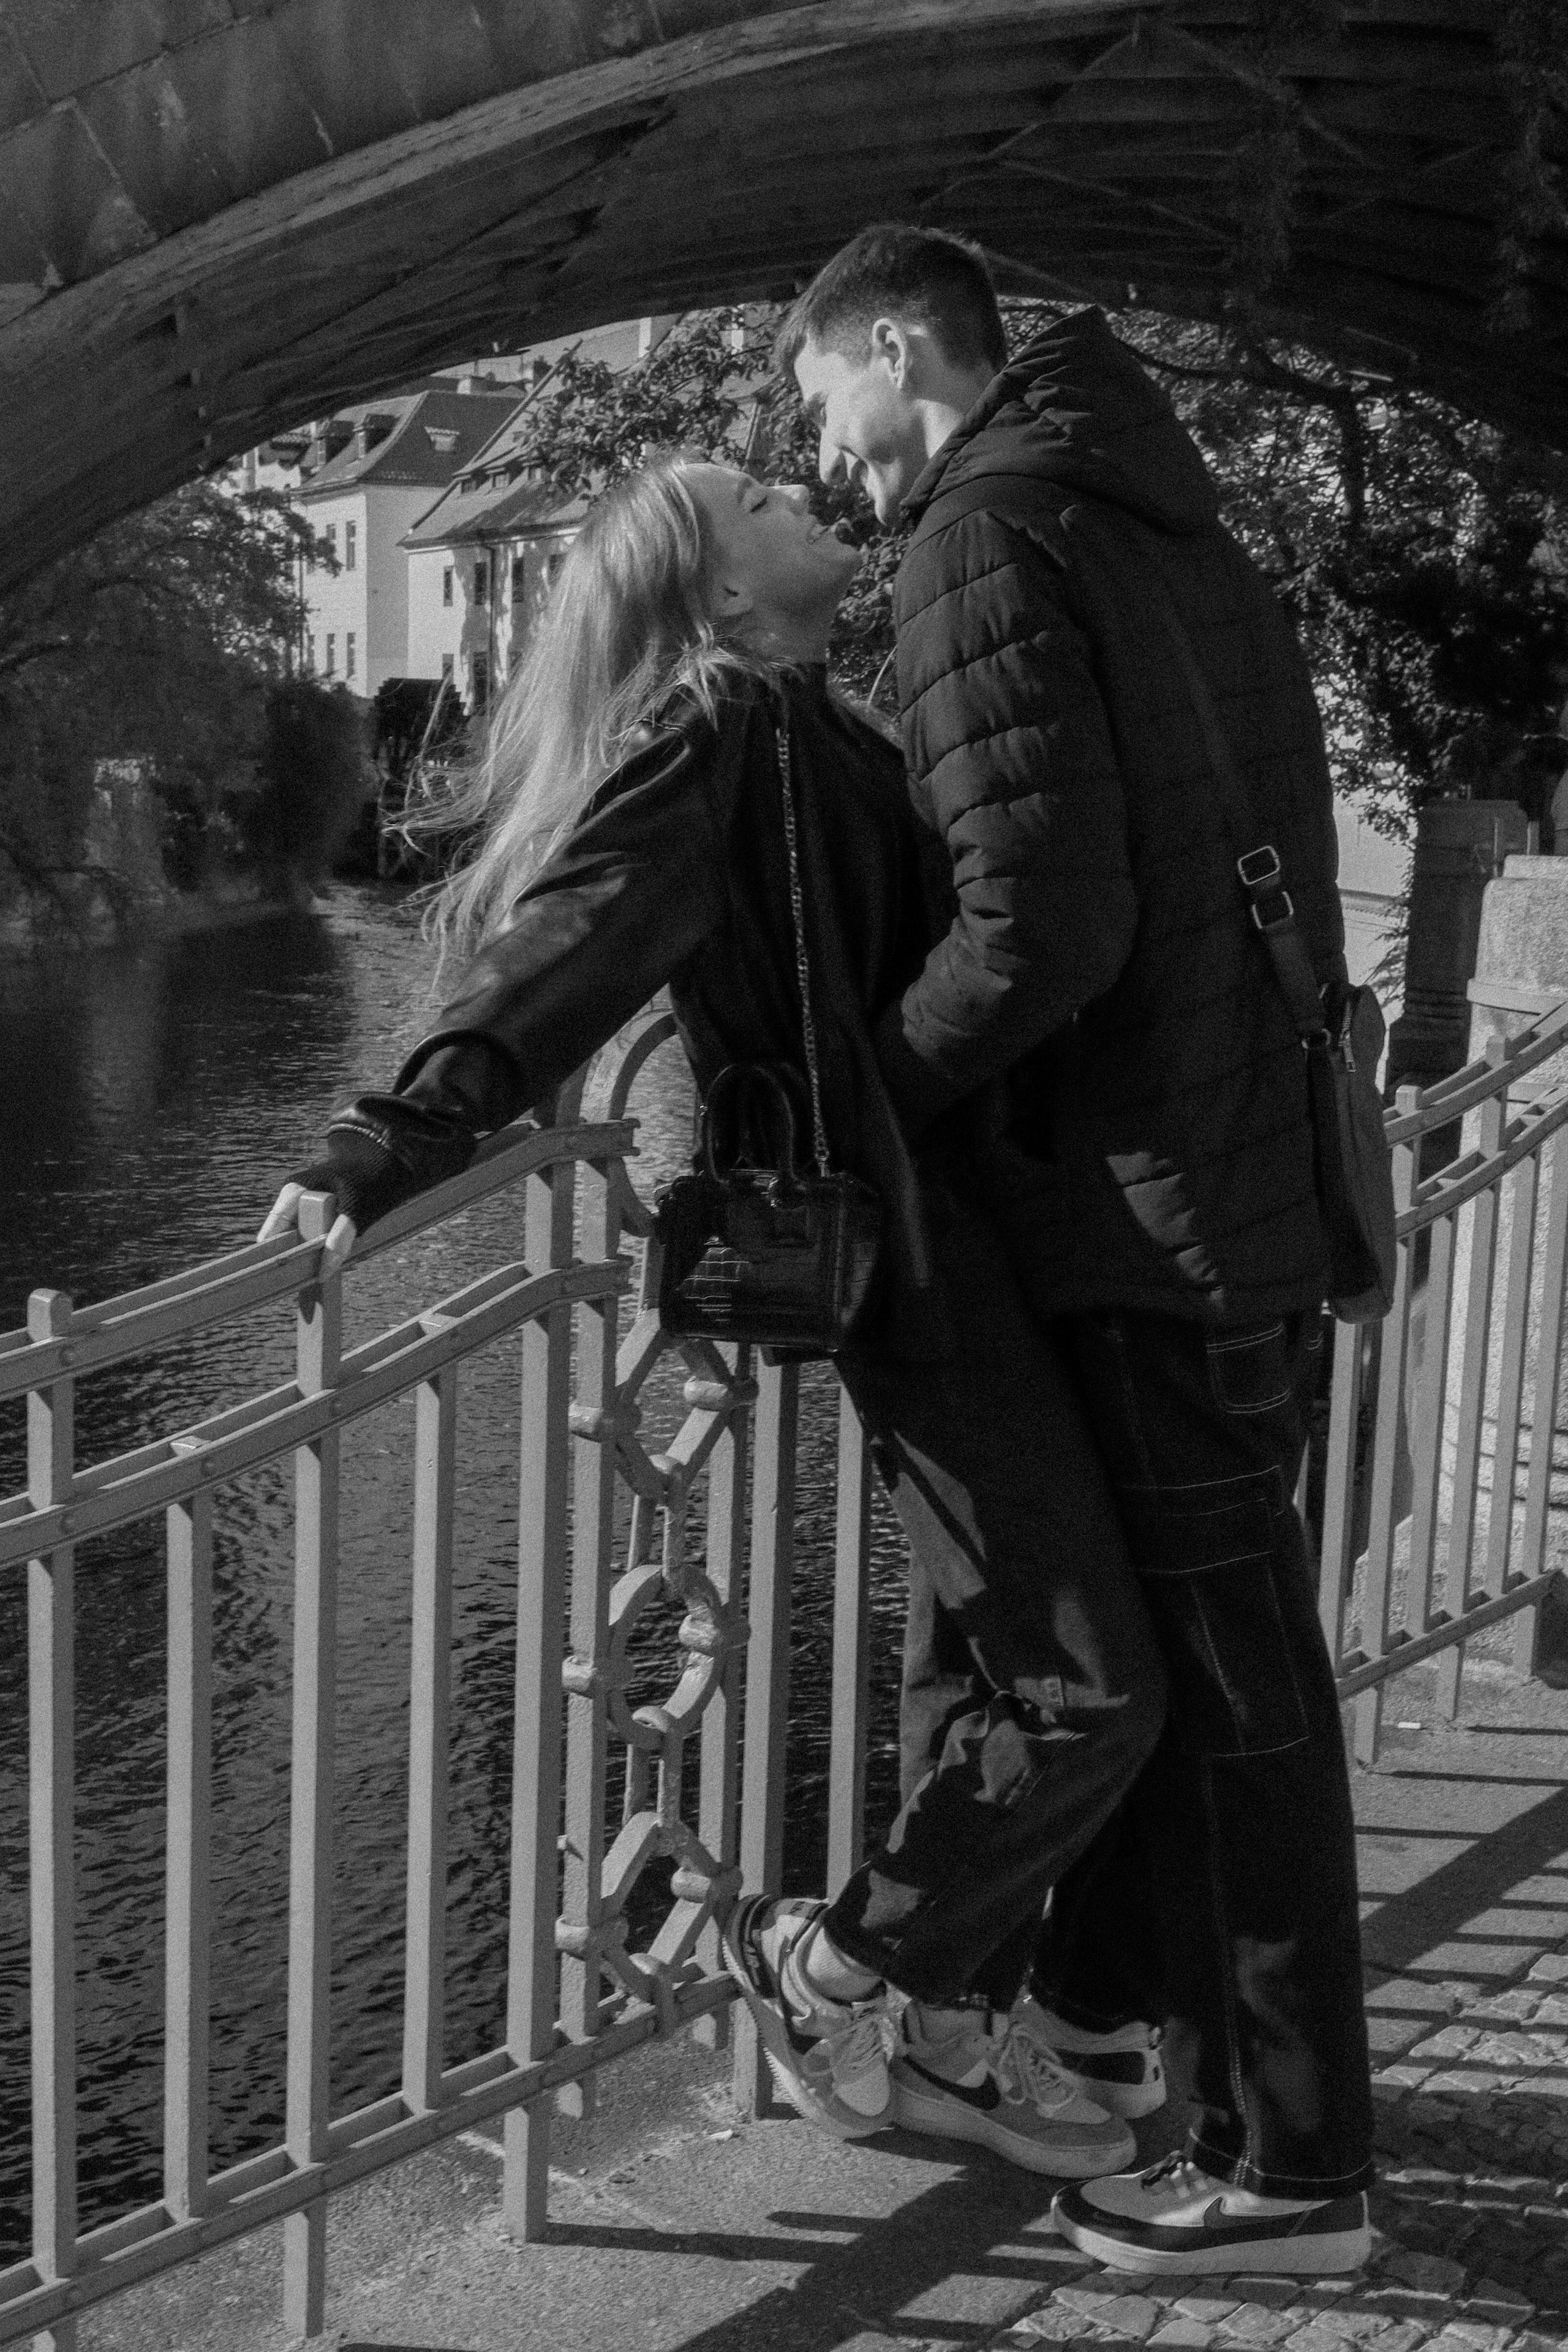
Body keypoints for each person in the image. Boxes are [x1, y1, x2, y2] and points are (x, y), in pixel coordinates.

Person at [260, 454, 1169, 2179]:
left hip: (963, 1246)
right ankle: (836, 1971)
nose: (798, 487)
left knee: (991, 1667)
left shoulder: (829, 724)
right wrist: (388, 1138)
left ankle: (953, 2022)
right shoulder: (720, 735)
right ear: (726, 599)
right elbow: (577, 934)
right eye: (755, 494)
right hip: (911, 1271)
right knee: (1089, 1691)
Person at [777, 226, 1375, 2277]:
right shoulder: (1170, 517)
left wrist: (855, 1109)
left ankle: (1298, 2177)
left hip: (1146, 1214)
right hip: (1255, 1184)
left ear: (887, 348)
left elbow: (1041, 930)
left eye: (815, 411)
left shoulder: (979, 539)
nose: (826, 463)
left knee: (1240, 1707)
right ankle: (1146, 2061)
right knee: (1225, 1683)